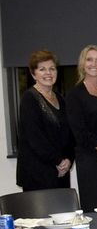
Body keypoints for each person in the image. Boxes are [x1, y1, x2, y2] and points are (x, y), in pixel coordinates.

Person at [66, 45, 97, 211]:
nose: (94, 64)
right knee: (95, 207)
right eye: (89, 59)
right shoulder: (75, 94)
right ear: (82, 64)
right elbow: (80, 132)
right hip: (91, 160)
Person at [16, 50, 74, 191]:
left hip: (61, 172)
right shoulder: (29, 99)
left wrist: (68, 160)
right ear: (33, 73)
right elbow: (35, 138)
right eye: (42, 69)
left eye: (52, 69)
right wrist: (59, 161)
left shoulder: (60, 98)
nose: (48, 73)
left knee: (64, 213)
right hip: (38, 174)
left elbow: (69, 133)